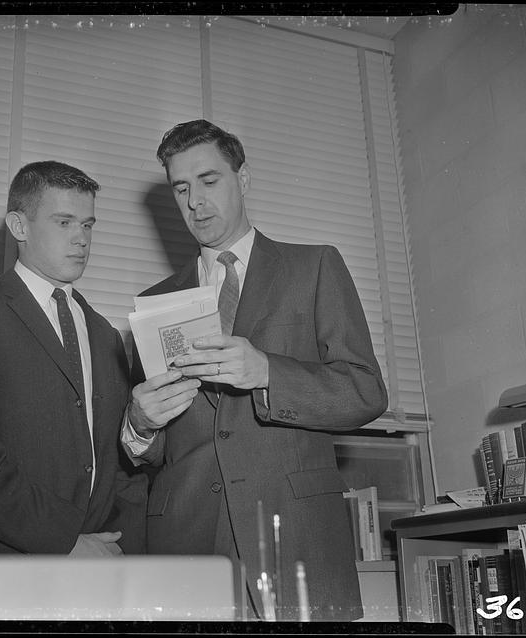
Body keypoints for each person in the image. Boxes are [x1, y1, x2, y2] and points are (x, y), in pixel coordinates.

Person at [121, 120, 388, 621]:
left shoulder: (314, 267)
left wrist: (268, 370)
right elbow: (157, 449)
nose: (195, 201)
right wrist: (138, 425)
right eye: (181, 188)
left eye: (209, 180)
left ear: (243, 179)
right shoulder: (155, 304)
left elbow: (366, 392)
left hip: (297, 539)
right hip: (186, 542)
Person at [0, 160, 146, 601]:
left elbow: (117, 465)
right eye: (64, 222)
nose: (82, 238)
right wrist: (64, 542)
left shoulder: (105, 335)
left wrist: (124, 551)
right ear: (18, 225)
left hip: (98, 575)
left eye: (88, 224)